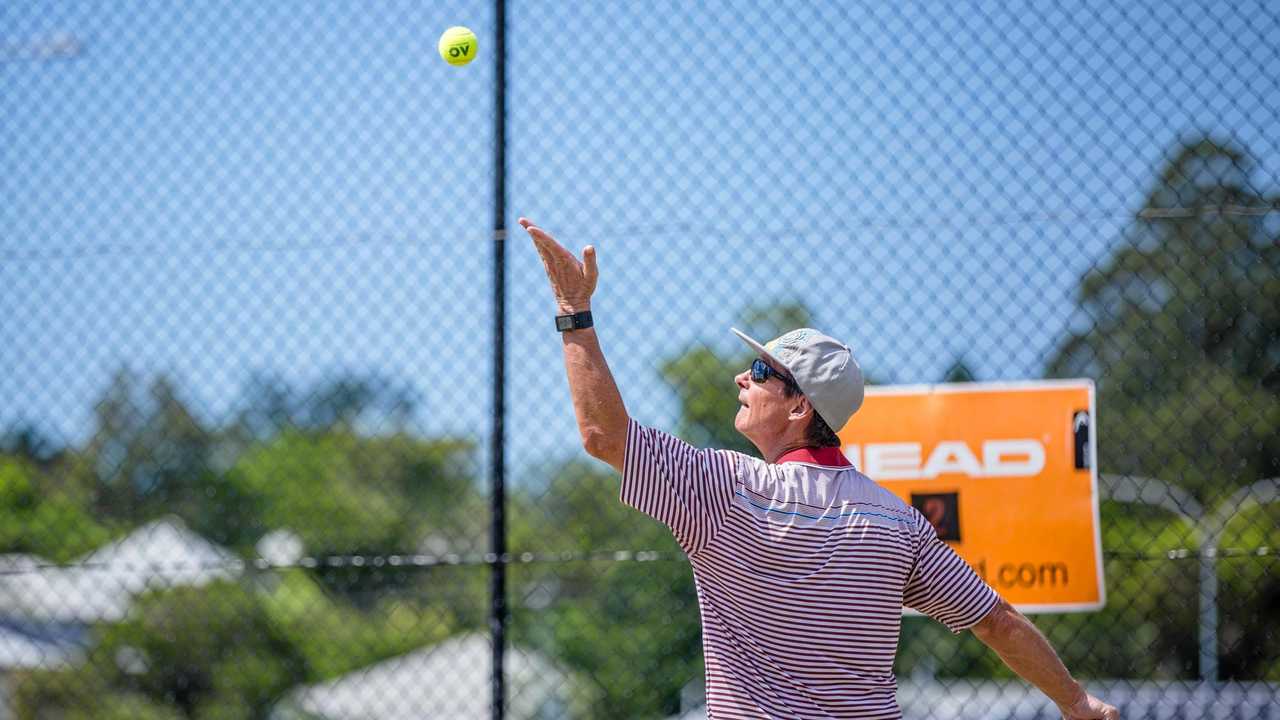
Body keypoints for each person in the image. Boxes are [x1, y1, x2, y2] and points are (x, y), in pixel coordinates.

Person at [521, 216, 1119, 720]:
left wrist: (574, 309)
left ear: (800, 406)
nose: (741, 377)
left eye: (760, 373)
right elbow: (998, 622)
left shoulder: (728, 491)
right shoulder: (898, 523)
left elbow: (603, 436)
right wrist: (1077, 704)